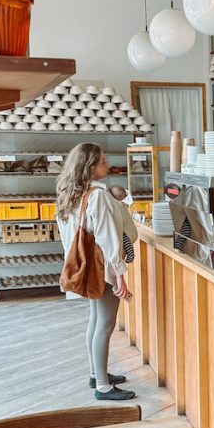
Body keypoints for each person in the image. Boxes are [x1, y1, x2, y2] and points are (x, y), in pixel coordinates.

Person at [56, 143, 138, 402]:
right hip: (103, 268)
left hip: (86, 267)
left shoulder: (69, 194)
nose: (107, 164)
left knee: (95, 319)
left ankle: (96, 373)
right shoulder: (98, 197)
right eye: (102, 161)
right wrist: (119, 276)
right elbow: (108, 240)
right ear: (89, 166)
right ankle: (102, 387)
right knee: (105, 324)